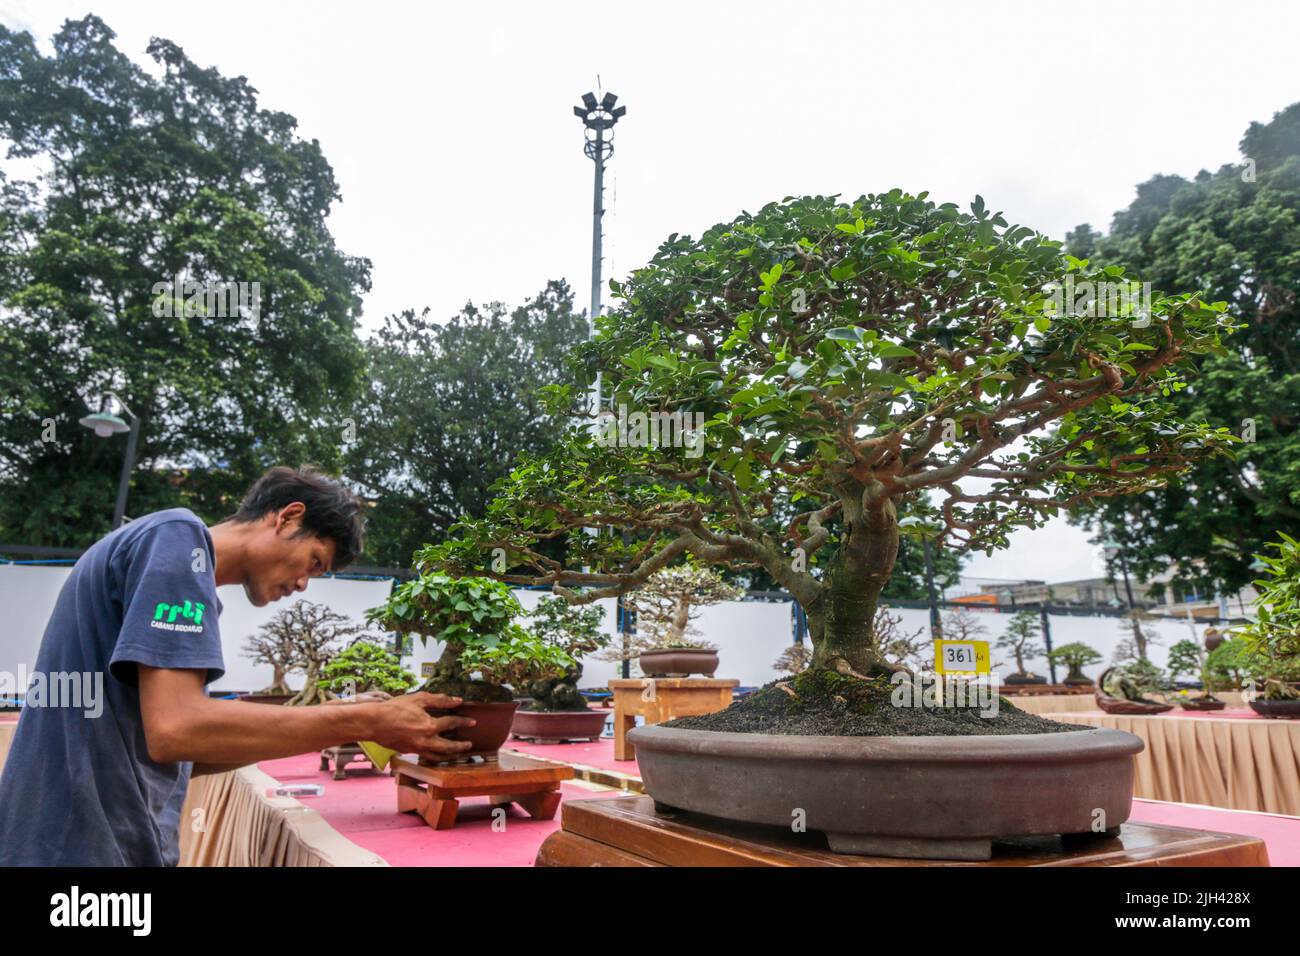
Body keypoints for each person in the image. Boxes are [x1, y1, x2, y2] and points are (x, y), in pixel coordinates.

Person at [0, 465, 473, 866]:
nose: (305, 584)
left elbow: (186, 751)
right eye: (314, 561)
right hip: (75, 851)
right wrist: (363, 718)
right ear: (288, 518)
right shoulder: (175, 540)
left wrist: (337, 724)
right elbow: (178, 730)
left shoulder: (186, 577)